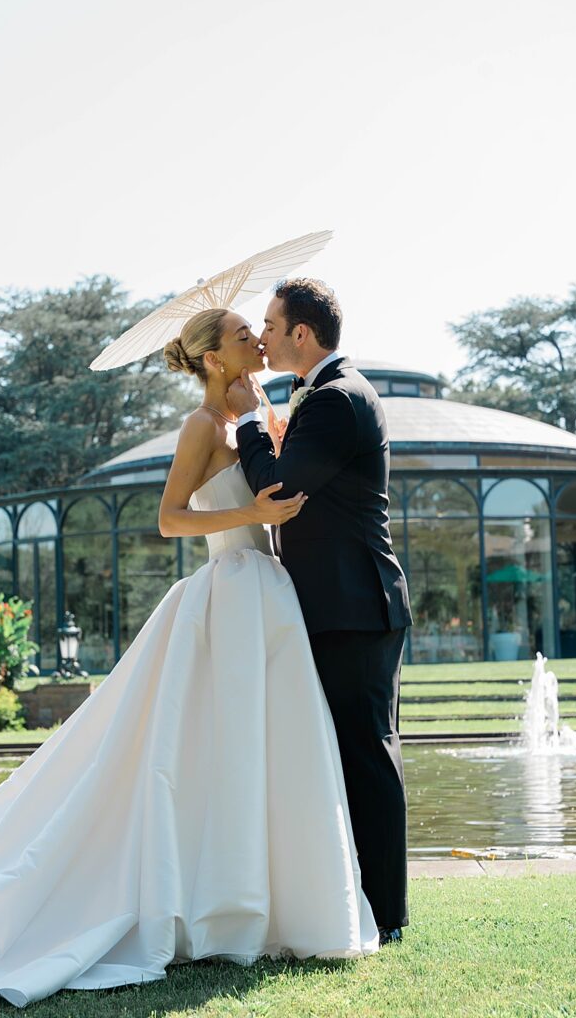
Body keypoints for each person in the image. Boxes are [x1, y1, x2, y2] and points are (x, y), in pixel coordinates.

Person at [0, 306, 379, 1009]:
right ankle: (204, 902)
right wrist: (248, 515)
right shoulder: (200, 427)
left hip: (274, 599)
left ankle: (272, 902)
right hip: (226, 593)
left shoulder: (269, 413)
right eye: (243, 336)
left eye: (260, 329)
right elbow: (170, 519)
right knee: (199, 753)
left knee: (270, 750)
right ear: (214, 359)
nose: (258, 339)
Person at [227, 278, 413, 942]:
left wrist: (247, 420)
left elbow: (277, 486)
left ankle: (385, 915)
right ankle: (352, 900)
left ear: (301, 334)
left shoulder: (337, 399)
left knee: (366, 754)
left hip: (354, 607)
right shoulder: (322, 398)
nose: (264, 337)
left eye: (271, 327)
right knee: (342, 753)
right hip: (333, 604)